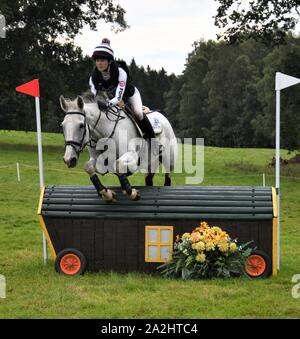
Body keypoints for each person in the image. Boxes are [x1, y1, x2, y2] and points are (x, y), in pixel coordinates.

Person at [89, 38, 160, 155]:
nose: (99, 63)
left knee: (138, 113)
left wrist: (106, 104)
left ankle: (154, 143)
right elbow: (94, 97)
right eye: (97, 60)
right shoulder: (93, 77)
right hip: (110, 99)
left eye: (102, 60)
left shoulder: (120, 72)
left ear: (110, 61)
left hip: (129, 95)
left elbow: (118, 97)